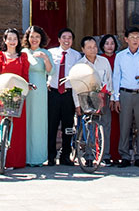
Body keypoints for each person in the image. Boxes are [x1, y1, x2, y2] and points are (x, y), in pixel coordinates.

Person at [111, 26, 139, 168]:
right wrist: (116, 97)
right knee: (124, 126)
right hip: (125, 94)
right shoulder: (120, 56)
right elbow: (116, 77)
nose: (135, 40)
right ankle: (124, 155)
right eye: (132, 37)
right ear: (126, 39)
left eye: (138, 37)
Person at [0, 27, 30, 170]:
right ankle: (4, 158)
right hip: (3, 92)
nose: (12, 41)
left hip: (18, 94)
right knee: (5, 124)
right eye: (10, 39)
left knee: (18, 128)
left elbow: (25, 76)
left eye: (15, 39)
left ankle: (17, 160)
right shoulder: (0, 56)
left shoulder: (23, 57)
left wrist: (28, 85)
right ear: (5, 40)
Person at [73, 36, 113, 165]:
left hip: (103, 97)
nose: (93, 49)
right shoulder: (79, 65)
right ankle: (89, 156)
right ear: (83, 49)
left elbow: (109, 79)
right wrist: (77, 104)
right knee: (89, 126)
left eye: (94, 46)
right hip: (87, 98)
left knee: (106, 125)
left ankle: (105, 155)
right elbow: (75, 86)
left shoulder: (104, 61)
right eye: (89, 47)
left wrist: (112, 97)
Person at [47, 28, 82, 166]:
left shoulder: (76, 56)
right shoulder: (51, 53)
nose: (66, 40)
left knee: (68, 127)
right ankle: (50, 155)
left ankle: (66, 155)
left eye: (69, 38)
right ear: (59, 39)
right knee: (52, 126)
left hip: (68, 94)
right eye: (64, 37)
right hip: (53, 93)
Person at [22, 25, 52, 166]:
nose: (34, 39)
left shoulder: (46, 52)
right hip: (24, 88)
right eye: (32, 36)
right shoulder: (23, 52)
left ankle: (38, 157)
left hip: (40, 90)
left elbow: (51, 72)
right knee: (25, 122)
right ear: (27, 38)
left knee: (39, 123)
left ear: (41, 38)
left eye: (37, 37)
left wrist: (45, 58)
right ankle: (23, 156)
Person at [99, 34, 122, 164]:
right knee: (105, 126)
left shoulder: (119, 58)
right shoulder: (100, 59)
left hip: (117, 96)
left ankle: (116, 154)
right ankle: (104, 154)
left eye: (112, 43)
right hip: (104, 96)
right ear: (102, 45)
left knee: (117, 126)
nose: (109, 46)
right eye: (107, 43)